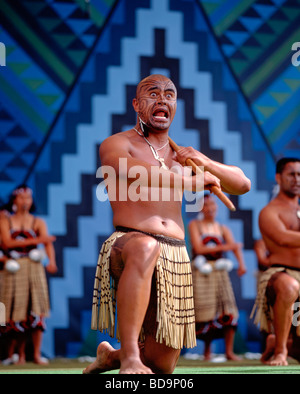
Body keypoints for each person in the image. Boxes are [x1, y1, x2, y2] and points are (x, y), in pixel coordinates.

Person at [84, 74, 251, 374]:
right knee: (146, 247)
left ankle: (111, 357)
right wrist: (189, 180)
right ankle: (131, 356)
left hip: (175, 254)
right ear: (136, 104)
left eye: (169, 95)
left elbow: (242, 184)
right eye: (153, 93)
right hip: (129, 242)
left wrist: (204, 161)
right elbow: (133, 172)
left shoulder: (182, 156)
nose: (162, 99)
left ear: (175, 106)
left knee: (162, 366)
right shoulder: (117, 144)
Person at [0, 185, 57, 365]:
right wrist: (39, 240)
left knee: (36, 309)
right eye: (22, 198)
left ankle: (37, 354)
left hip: (34, 269)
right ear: (14, 200)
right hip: (14, 268)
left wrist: (52, 261)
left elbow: (48, 244)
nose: (26, 201)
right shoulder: (5, 221)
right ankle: (18, 355)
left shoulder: (38, 222)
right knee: (15, 310)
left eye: (29, 198)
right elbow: (7, 243)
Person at [251, 157, 300, 366]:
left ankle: (279, 342)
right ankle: (280, 350)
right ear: (278, 177)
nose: (297, 179)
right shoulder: (269, 211)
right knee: (290, 286)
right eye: (292, 174)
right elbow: (282, 237)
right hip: (281, 275)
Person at [188, 194, 246, 361]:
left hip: (220, 273)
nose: (210, 208)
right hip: (201, 272)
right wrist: (229, 246)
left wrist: (242, 264)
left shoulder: (222, 228)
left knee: (227, 309)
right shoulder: (195, 225)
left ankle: (229, 352)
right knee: (204, 311)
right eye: (206, 205)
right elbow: (198, 249)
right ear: (200, 208)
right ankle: (207, 351)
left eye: (212, 205)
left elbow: (235, 248)